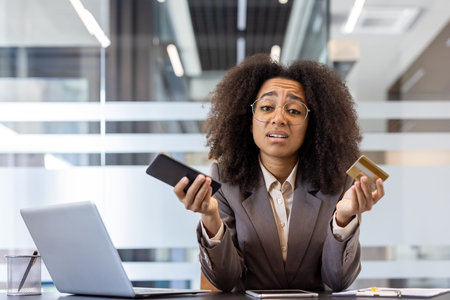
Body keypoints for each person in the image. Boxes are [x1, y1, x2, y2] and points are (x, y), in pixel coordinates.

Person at [173, 54, 385, 292]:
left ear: (312, 125)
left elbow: (338, 281)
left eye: (294, 111)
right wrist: (211, 217)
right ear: (248, 119)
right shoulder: (225, 180)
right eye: (266, 107)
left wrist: (343, 219)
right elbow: (224, 281)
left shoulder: (338, 182)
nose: (279, 118)